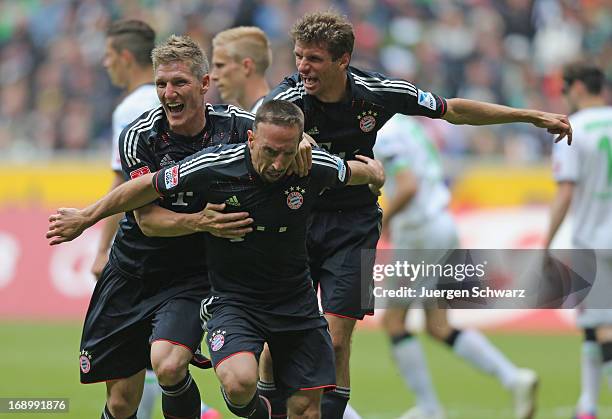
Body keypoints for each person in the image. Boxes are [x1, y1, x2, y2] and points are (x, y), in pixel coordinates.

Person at [265, 11, 572, 418]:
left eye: (314, 59)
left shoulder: (379, 93)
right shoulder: (287, 99)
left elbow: (454, 110)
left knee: (337, 342)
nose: (303, 67)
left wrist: (529, 116)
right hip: (296, 222)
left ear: (343, 59)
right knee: (278, 339)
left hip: (353, 229)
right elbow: (259, 129)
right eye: (299, 56)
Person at [47, 99, 386, 419]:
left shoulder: (312, 166)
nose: (279, 164)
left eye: (286, 153)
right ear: (251, 139)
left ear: (301, 144)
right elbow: (145, 187)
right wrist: (85, 217)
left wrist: (375, 176)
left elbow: (351, 171)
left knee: (309, 411)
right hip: (235, 302)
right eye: (270, 151)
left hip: (295, 303)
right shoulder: (214, 165)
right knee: (239, 383)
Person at [71, 33, 263, 419]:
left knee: (169, 365)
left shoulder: (241, 129)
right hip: (131, 273)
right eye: (161, 83)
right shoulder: (140, 137)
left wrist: (305, 145)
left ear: (204, 85)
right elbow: (148, 221)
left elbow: (284, 145)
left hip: (190, 278)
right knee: (123, 401)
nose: (168, 92)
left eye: (179, 82)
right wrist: (202, 221)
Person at [374, 114, 538, 419]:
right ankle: (514, 378)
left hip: (420, 232)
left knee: (394, 321)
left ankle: (429, 408)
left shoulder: (386, 132)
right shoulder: (409, 125)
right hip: (443, 224)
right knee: (438, 326)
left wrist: (384, 220)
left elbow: (408, 185)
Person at [545, 61, 612, 419]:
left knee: (601, 327)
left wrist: (547, 241)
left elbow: (565, 192)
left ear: (578, 88)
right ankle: (587, 406)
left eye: (564, 89)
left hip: (593, 239)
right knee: (593, 324)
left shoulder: (574, 129)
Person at [211, 26, 271, 113]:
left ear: (246, 66)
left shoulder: (271, 120)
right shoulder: (258, 117)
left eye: (220, 65)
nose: (213, 76)